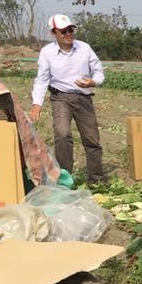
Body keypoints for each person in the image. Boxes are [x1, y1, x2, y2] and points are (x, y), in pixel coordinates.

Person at [29, 14, 105, 185]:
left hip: (83, 97)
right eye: (63, 31)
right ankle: (65, 180)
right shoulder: (47, 52)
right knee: (62, 135)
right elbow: (42, 79)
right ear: (54, 33)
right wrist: (37, 103)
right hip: (60, 97)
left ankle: (96, 179)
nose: (68, 34)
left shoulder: (84, 48)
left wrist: (93, 82)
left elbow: (99, 71)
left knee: (92, 139)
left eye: (71, 30)